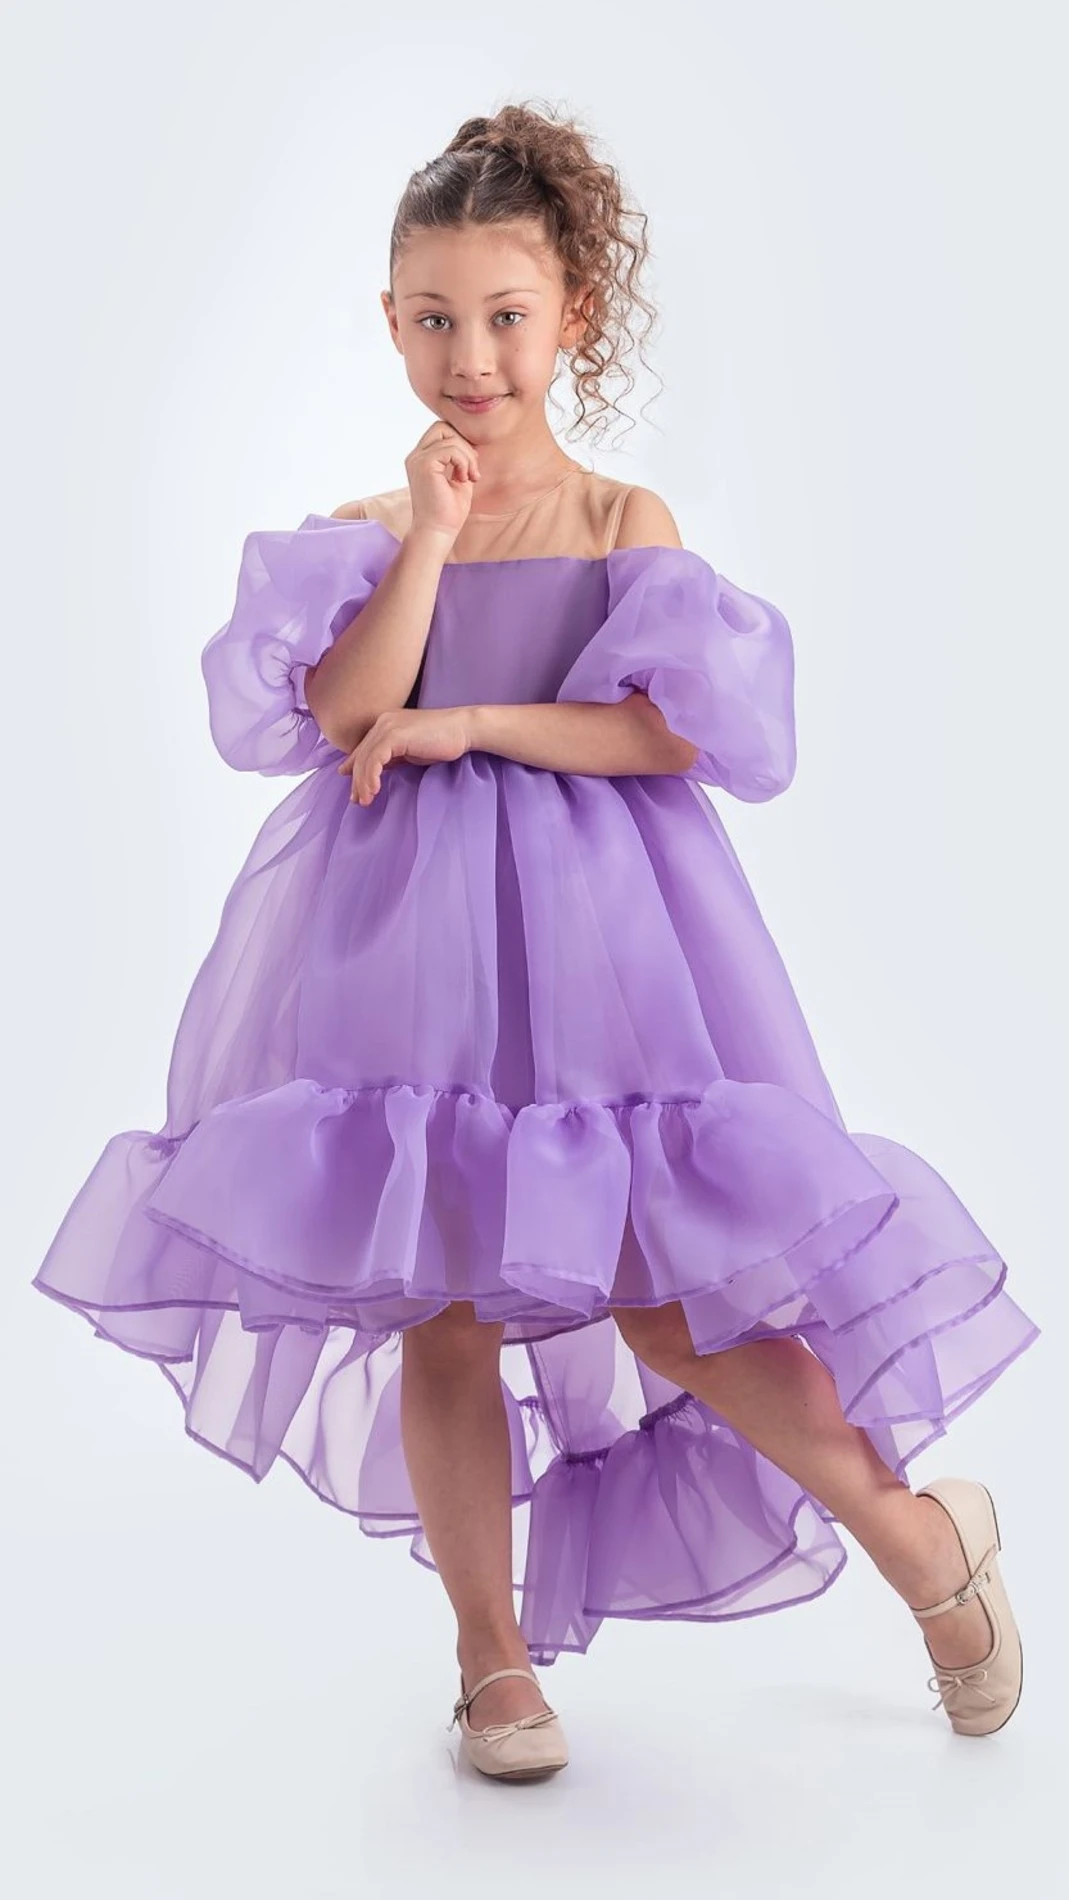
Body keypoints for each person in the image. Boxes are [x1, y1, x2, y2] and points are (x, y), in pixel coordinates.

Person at [33, 100, 1041, 1783]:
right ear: (389, 322)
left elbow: (671, 732)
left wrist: (475, 722)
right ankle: (489, 1659)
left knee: (668, 1298)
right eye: (434, 319)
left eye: (504, 316)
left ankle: (923, 1539)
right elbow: (339, 711)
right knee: (442, 1301)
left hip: (603, 957)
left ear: (571, 311)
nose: (472, 357)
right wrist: (429, 537)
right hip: (408, 959)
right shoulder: (373, 526)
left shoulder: (620, 520)